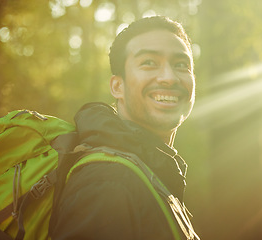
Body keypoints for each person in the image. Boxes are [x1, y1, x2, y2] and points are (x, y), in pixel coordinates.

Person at [49, 16, 199, 240]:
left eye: (181, 65)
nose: (169, 77)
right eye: (149, 62)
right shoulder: (108, 181)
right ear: (117, 86)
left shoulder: (147, 172)